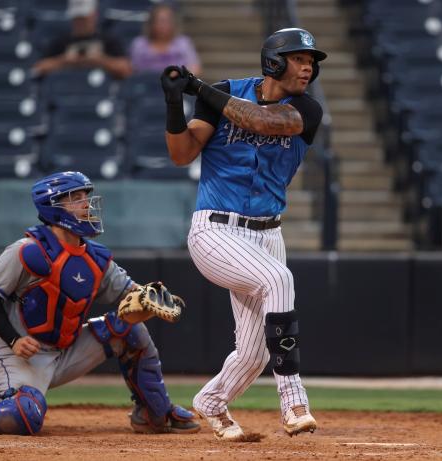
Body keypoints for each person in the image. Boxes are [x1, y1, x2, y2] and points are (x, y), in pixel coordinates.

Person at [0, 171, 200, 436]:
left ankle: (155, 412)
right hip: (17, 352)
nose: (86, 204)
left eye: (85, 196)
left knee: (128, 330)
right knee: (19, 416)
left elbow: (132, 296)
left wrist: (147, 301)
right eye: (76, 197)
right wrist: (13, 341)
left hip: (64, 351)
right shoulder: (26, 250)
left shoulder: (96, 259)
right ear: (54, 207)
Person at [160, 28, 326, 440]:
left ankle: (212, 401)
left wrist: (197, 87)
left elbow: (264, 121)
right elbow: (182, 155)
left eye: (311, 60)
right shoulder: (222, 93)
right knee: (279, 279)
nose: (308, 67)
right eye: (298, 58)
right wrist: (173, 102)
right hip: (214, 230)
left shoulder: (307, 108)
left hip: (267, 234)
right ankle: (293, 399)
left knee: (253, 353)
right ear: (274, 62)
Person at [33, 0, 132, 79]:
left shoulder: (108, 40)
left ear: (94, 15)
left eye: (83, 17)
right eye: (77, 17)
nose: (80, 22)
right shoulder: (60, 42)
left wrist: (100, 60)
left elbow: (126, 69)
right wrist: (64, 61)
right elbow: (38, 69)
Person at [130, 3, 201, 76]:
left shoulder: (183, 43)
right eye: (159, 21)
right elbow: (132, 69)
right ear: (151, 23)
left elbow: (195, 68)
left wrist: (180, 75)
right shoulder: (139, 44)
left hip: (176, 84)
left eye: (166, 21)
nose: (162, 26)